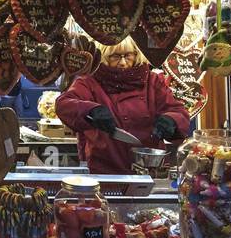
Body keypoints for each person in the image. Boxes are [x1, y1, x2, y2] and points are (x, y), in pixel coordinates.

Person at [55, 36, 191, 174]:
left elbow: (177, 110)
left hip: (150, 170)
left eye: (128, 56)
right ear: (104, 57)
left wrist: (171, 120)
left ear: (137, 55)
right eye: (115, 57)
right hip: (105, 171)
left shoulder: (153, 81)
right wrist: (91, 110)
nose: (123, 62)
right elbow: (64, 104)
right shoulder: (89, 82)